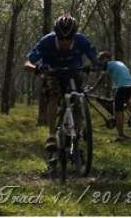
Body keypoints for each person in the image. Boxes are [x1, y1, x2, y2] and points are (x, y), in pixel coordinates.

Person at [23, 14, 98, 152]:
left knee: (80, 102)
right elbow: (27, 62)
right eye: (61, 38)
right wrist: (37, 69)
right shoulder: (47, 41)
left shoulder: (81, 40)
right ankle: (51, 136)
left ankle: (76, 141)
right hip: (52, 73)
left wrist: (98, 63)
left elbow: (95, 57)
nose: (65, 42)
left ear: (74, 36)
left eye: (69, 38)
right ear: (56, 35)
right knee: (54, 94)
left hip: (73, 72)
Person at [93, 51, 131, 142]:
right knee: (126, 100)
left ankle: (121, 136)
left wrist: (93, 88)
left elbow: (101, 79)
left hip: (122, 86)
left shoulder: (107, 64)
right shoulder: (119, 62)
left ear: (105, 58)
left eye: (101, 59)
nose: (101, 61)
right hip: (130, 85)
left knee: (118, 111)